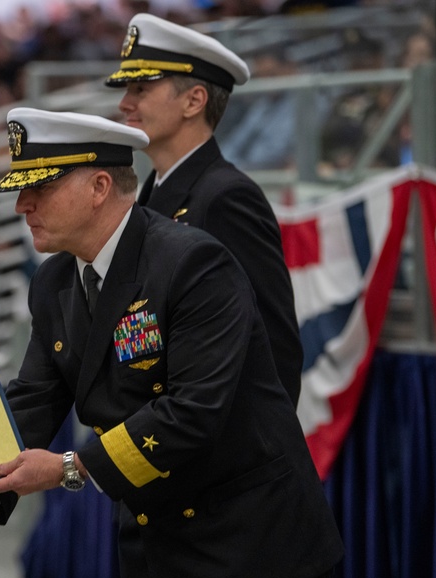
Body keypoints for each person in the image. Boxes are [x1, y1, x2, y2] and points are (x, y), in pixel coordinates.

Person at [0, 107, 344, 578]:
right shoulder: (56, 279)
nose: (20, 205)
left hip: (248, 551)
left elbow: (191, 412)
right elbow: (33, 397)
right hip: (157, 556)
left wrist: (68, 469)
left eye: (40, 188)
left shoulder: (192, 260)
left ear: (100, 186)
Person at [106, 14, 303, 407]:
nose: (125, 103)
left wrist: (250, 456)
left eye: (141, 88)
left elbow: (274, 344)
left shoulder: (227, 198)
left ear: (194, 100)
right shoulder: (154, 192)